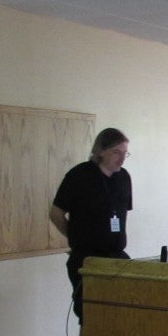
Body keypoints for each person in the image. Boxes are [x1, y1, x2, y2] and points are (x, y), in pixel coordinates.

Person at [49, 128, 132, 323]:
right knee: (90, 317)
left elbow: (121, 215)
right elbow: (55, 213)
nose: (122, 159)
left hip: (116, 256)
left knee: (120, 314)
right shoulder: (79, 176)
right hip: (88, 259)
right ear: (100, 151)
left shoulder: (124, 178)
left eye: (125, 153)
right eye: (116, 152)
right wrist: (75, 238)